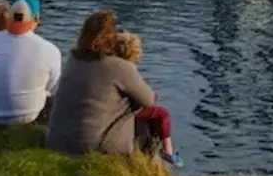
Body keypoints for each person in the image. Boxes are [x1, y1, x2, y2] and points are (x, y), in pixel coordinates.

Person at [45, 10, 160, 158]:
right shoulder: (117, 66)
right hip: (93, 147)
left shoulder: (72, 60)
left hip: (56, 141)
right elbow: (150, 100)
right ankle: (148, 167)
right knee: (140, 112)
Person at [113, 31, 183, 167]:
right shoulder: (128, 70)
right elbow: (149, 99)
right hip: (124, 110)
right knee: (162, 114)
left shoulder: (110, 67)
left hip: (114, 108)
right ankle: (168, 150)